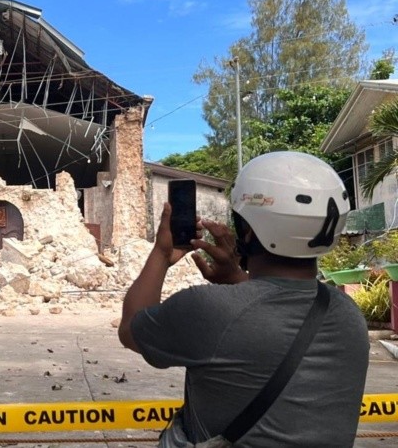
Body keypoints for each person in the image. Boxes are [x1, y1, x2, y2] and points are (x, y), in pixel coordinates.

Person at [118, 151, 368, 447]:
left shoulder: (208, 308)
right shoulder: (349, 315)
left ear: (247, 231)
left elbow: (131, 327)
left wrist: (161, 253)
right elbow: (274, 314)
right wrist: (237, 277)